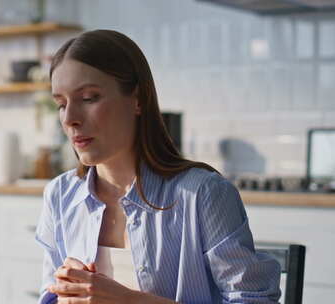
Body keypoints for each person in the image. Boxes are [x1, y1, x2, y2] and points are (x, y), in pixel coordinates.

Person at [35, 29, 281, 304]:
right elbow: (49, 294)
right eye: (61, 103)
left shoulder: (203, 194)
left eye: (89, 98)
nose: (70, 118)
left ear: (138, 100)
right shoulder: (60, 195)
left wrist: (129, 301)